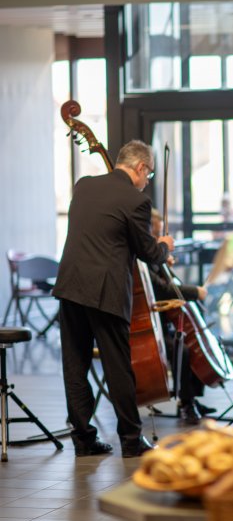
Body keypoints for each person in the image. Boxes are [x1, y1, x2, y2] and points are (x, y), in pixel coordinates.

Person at [53, 140, 175, 458]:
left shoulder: (84, 186)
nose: (147, 181)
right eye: (148, 174)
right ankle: (132, 441)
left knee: (75, 365)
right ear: (140, 167)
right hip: (105, 292)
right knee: (118, 367)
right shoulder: (136, 201)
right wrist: (164, 245)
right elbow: (149, 253)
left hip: (70, 286)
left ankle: (83, 439)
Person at [148, 208, 217, 424]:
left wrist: (162, 262)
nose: (158, 240)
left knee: (190, 342)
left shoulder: (154, 258)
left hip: (163, 324)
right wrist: (196, 292)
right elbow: (163, 290)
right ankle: (185, 404)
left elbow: (171, 285)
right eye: (155, 234)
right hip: (150, 328)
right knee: (183, 349)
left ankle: (192, 400)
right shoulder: (140, 259)